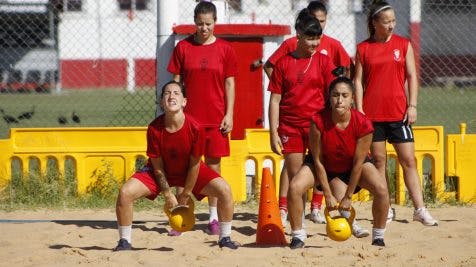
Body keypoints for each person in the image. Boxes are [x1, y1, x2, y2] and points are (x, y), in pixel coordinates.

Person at [114, 81, 239, 251]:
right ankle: (124, 241)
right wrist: (167, 194)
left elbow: (195, 165)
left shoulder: (195, 127)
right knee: (125, 193)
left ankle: (225, 238)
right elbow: (157, 167)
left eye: (176, 93)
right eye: (166, 93)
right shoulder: (154, 128)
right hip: (160, 172)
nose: (171, 96)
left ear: (184, 101)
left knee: (224, 190)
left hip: (189, 170)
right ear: (161, 101)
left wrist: (185, 195)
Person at [264, 1, 353, 224]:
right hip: (290, 126)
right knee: (296, 177)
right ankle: (297, 223)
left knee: (322, 169)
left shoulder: (323, 61)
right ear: (298, 35)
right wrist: (273, 132)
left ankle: (324, 208)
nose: (314, 43)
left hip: (315, 125)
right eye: (309, 38)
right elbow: (274, 100)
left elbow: (336, 92)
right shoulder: (284, 63)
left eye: (317, 38)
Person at [353, 1, 437, 226]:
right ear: (375, 23)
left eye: (393, 21)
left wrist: (413, 106)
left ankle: (419, 209)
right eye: (387, 21)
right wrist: (360, 109)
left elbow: (412, 76)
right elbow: (357, 81)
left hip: (399, 113)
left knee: (408, 160)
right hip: (373, 115)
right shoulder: (363, 48)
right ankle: (386, 208)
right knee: (379, 161)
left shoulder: (404, 44)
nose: (391, 25)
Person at [287, 77, 390, 249]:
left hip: (351, 166)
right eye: (335, 95)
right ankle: (298, 236)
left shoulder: (363, 124)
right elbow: (317, 159)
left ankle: (378, 237)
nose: (339, 100)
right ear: (329, 97)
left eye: (344, 95)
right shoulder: (317, 121)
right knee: (295, 187)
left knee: (381, 189)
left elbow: (358, 164)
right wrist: (326, 193)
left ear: (352, 99)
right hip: (323, 165)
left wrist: (349, 197)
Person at [167, 1, 238, 235]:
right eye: (199, 24)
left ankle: (213, 218)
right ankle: (181, 216)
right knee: (184, 168)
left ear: (215, 22)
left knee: (213, 168)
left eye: (208, 24)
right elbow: (176, 82)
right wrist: (174, 111)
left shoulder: (226, 49)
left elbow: (230, 83)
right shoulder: (183, 48)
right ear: (194, 22)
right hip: (188, 120)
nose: (204, 28)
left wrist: (229, 114)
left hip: (215, 118)